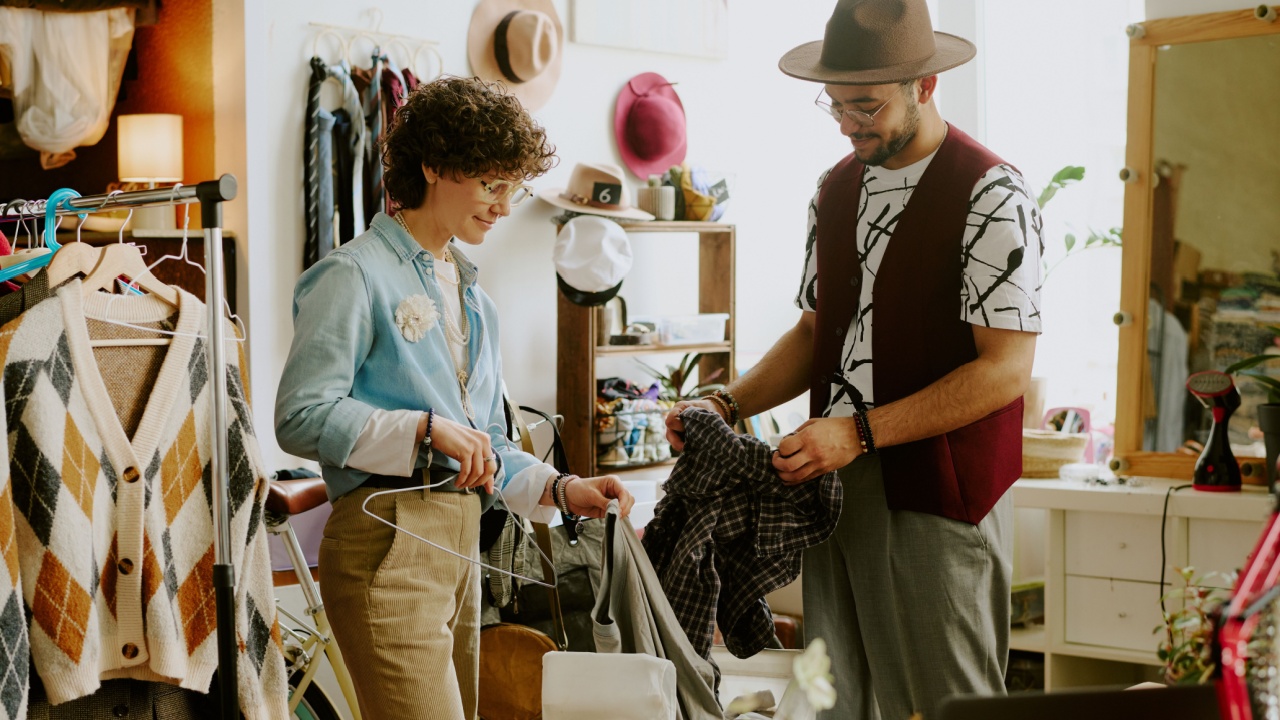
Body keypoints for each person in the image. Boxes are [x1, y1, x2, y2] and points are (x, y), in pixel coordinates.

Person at [666, 1, 1042, 718]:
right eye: (835, 104)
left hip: (941, 491)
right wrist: (727, 403)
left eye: (865, 105)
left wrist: (860, 432)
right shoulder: (835, 189)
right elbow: (815, 334)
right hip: (830, 492)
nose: (847, 122)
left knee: (946, 704)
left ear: (925, 85)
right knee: (834, 702)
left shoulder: (993, 193)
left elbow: (1005, 370)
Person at [276, 75, 634, 720]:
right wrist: (423, 428)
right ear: (434, 165)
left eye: (512, 187)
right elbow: (300, 416)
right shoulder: (351, 275)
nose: (502, 206)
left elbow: (488, 444)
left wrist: (561, 488)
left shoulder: (476, 300)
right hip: (386, 541)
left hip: (461, 545)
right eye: (489, 183)